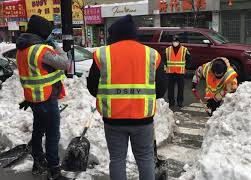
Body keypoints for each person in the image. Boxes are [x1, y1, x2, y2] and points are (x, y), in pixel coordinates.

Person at [86, 14, 167, 180]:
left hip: (113, 119)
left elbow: (93, 87)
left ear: (116, 34)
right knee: (145, 159)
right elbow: (161, 90)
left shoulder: (102, 54)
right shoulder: (152, 55)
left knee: (117, 159)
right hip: (143, 119)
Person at [16, 15, 70, 180]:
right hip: (46, 98)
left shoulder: (22, 48)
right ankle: (54, 171)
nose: (49, 35)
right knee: (53, 134)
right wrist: (56, 46)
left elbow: (31, 74)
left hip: (33, 98)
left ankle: (38, 162)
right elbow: (65, 64)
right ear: (42, 31)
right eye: (48, 32)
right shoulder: (40, 50)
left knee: (38, 130)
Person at [163, 35, 191, 108]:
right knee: (170, 88)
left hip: (180, 73)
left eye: (176, 41)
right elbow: (164, 60)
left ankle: (180, 102)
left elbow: (189, 60)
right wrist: (165, 67)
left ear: (179, 42)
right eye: (174, 41)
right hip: (170, 72)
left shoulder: (184, 50)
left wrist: (186, 68)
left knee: (180, 88)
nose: (175, 43)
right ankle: (171, 102)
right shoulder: (167, 50)